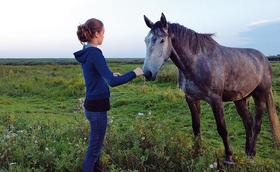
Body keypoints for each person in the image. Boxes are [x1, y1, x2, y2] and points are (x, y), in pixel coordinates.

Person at [73, 18, 143, 172]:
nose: (104, 36)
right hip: (98, 109)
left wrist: (111, 74)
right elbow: (112, 82)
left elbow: (96, 75)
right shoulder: (95, 53)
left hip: (91, 106)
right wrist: (134, 73)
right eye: (103, 33)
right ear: (97, 33)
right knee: (93, 151)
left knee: (96, 148)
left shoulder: (87, 52)